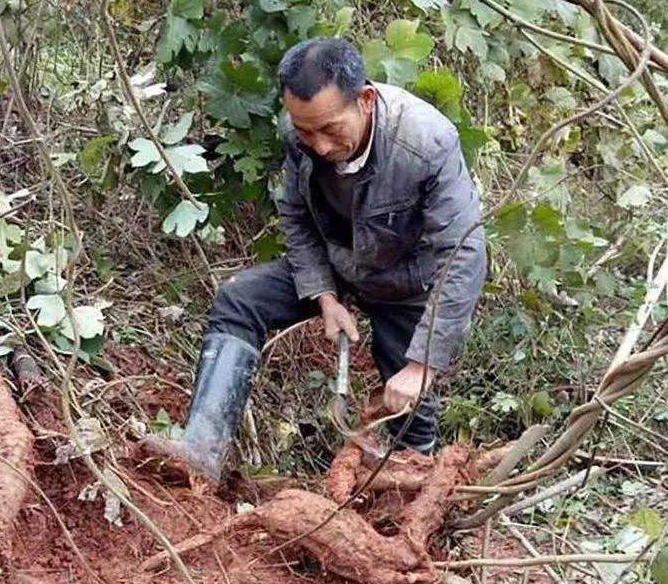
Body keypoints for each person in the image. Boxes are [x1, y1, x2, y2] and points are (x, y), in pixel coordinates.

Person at [175, 37, 486, 482]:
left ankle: (409, 493)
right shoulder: (299, 132)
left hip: (402, 280)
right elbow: (296, 215)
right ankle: (200, 452)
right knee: (239, 301)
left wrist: (421, 367)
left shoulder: (426, 142)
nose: (318, 146)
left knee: (408, 406)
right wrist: (323, 296)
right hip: (338, 266)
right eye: (305, 132)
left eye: (330, 129)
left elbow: (465, 252)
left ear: (365, 100)